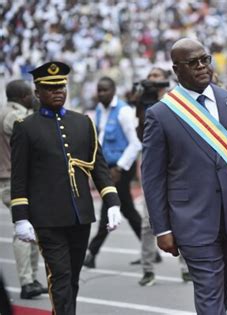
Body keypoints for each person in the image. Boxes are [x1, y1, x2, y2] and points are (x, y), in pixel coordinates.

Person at [141, 38, 227, 314]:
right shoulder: (161, 114)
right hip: (191, 220)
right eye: (193, 63)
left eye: (205, 59)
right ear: (176, 70)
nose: (202, 66)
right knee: (209, 291)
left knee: (221, 292)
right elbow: (152, 177)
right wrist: (162, 228)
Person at [10, 61, 122, 315]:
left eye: (61, 86)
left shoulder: (83, 123)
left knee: (72, 276)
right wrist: (21, 218)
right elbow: (19, 177)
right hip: (47, 219)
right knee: (60, 276)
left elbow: (99, 168)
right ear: (37, 92)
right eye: (50, 88)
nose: (58, 91)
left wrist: (113, 202)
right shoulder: (26, 128)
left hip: (80, 214)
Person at [132, 67, 191, 286]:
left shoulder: (176, 99)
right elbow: (140, 134)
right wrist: (140, 101)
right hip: (152, 168)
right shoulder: (142, 101)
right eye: (150, 76)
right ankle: (147, 269)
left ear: (166, 80)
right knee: (149, 222)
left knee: (180, 217)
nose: (152, 80)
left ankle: (186, 268)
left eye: (157, 76)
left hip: (175, 166)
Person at [83, 77, 142, 268]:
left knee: (109, 206)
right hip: (108, 168)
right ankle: (150, 248)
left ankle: (92, 252)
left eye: (105, 90)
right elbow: (100, 138)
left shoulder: (124, 111)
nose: (101, 94)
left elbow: (135, 144)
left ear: (114, 90)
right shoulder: (100, 110)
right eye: (99, 90)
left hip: (122, 168)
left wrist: (119, 168)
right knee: (127, 209)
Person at [0, 80, 48, 299]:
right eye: (30, 94)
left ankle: (31, 279)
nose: (34, 97)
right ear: (21, 95)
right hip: (13, 179)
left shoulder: (4, 112)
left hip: (10, 178)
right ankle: (27, 281)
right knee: (24, 228)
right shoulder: (12, 116)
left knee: (32, 227)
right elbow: (31, 134)